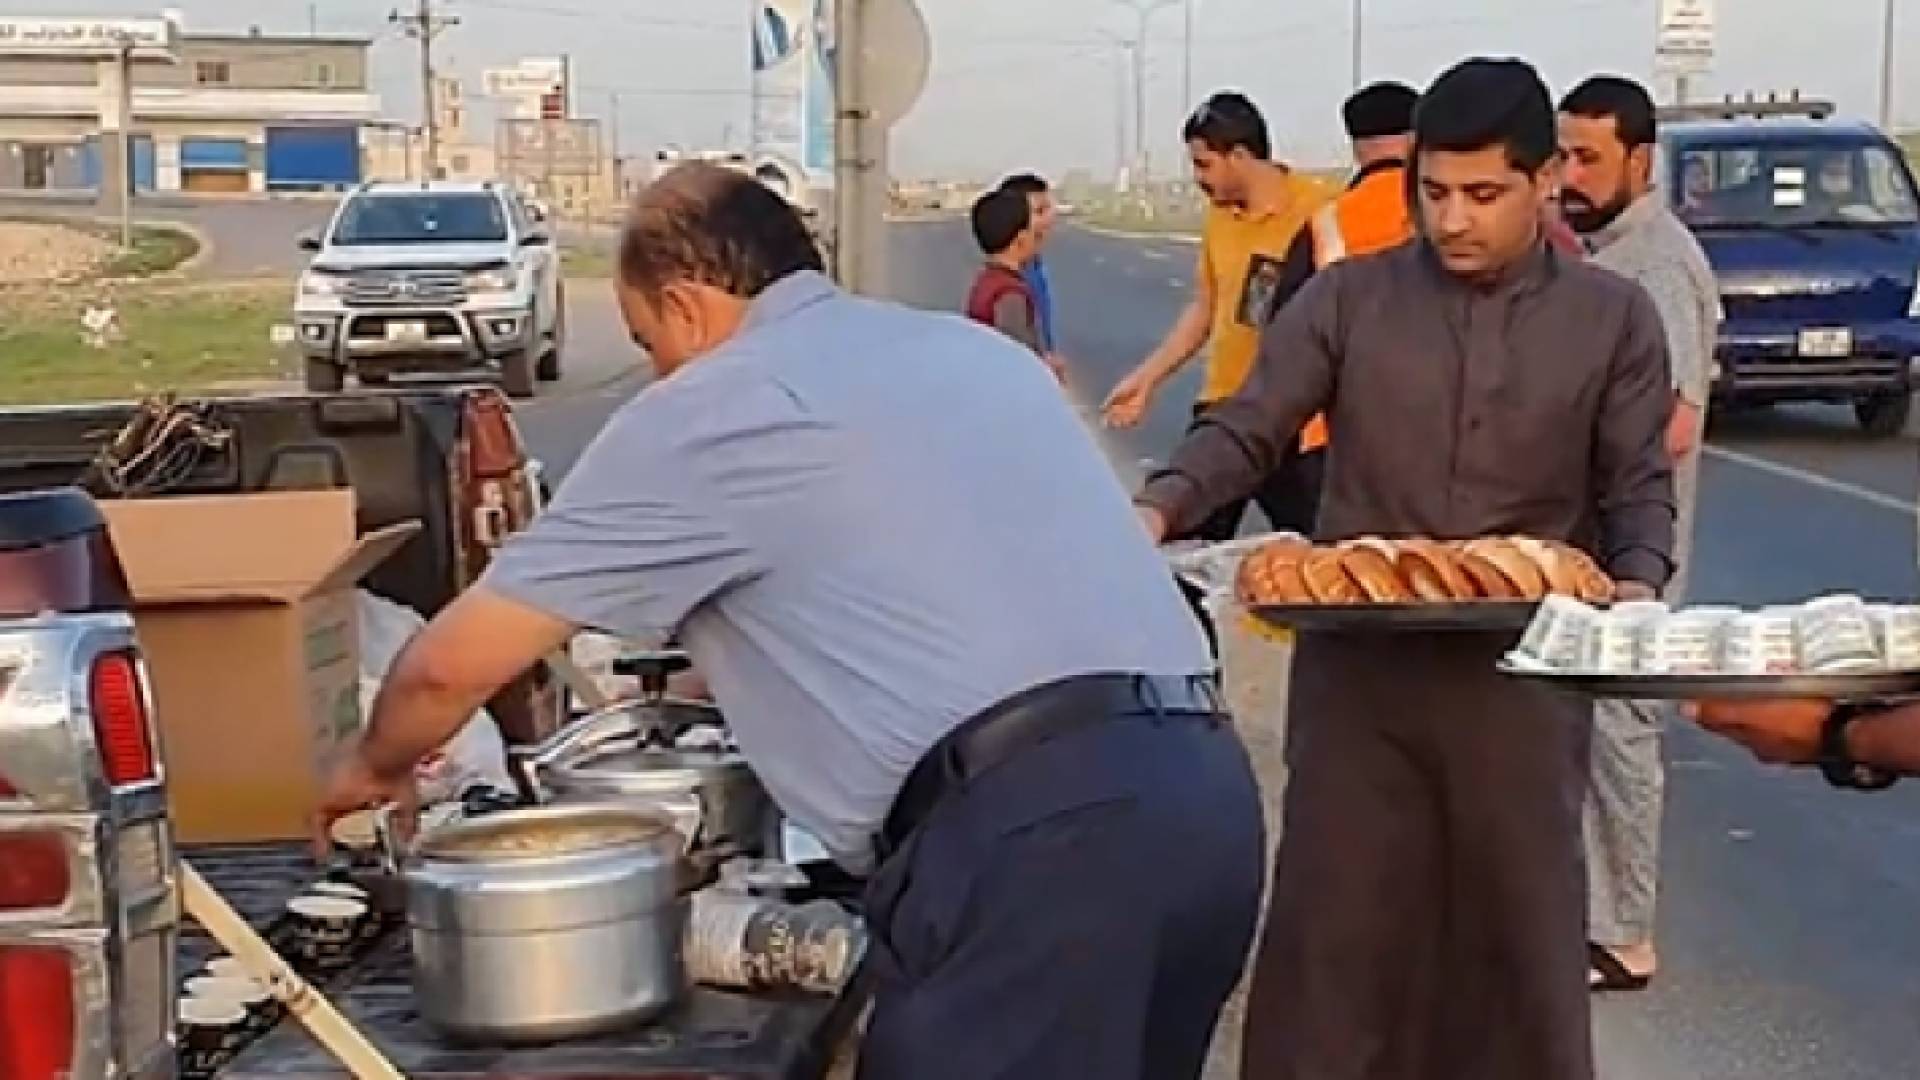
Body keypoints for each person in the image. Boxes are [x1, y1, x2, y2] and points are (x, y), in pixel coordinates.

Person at [312, 162, 1265, 1080]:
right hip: (1201, 798)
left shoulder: (720, 403)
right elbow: (917, 596)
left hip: (1043, 850)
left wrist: (374, 769)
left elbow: (449, 668)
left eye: (648, 343)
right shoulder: (966, 353)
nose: (656, 374)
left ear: (685, 304)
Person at [1134, 58, 1676, 1079]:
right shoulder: (1348, 301)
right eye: (1435, 192)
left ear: (1545, 177)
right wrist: (1155, 507)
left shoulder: (1613, 319)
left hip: (1524, 693)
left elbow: (1638, 486)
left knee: (1513, 952)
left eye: (1484, 194)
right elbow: (1250, 426)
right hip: (1358, 696)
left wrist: (1640, 591)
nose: (1454, 220)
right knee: (1337, 950)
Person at [1559, 73, 1722, 993]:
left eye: (1589, 158)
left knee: (1621, 730)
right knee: (1579, 730)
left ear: (1640, 160)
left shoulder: (1658, 261)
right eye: (1564, 155)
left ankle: (1623, 935)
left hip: (1634, 550)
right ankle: (1584, 915)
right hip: (1585, 543)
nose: (1571, 175)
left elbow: (1676, 422)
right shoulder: (1599, 254)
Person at [1103, 91, 1333, 541]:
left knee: (1321, 555)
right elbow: (1205, 306)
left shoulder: (1320, 210)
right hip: (1227, 407)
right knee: (1186, 541)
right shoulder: (1219, 218)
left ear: (1241, 156)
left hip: (1297, 416)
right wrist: (1148, 378)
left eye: (1204, 164)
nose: (1198, 179)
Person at [965, 187, 1058, 377]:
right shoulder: (1010, 293)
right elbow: (1016, 357)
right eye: (1035, 234)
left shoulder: (987, 280)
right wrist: (1046, 371)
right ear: (1021, 240)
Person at [997, 173, 1062, 364]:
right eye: (1040, 212)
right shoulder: (1007, 283)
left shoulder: (1034, 266)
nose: (1049, 220)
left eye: (1049, 209)